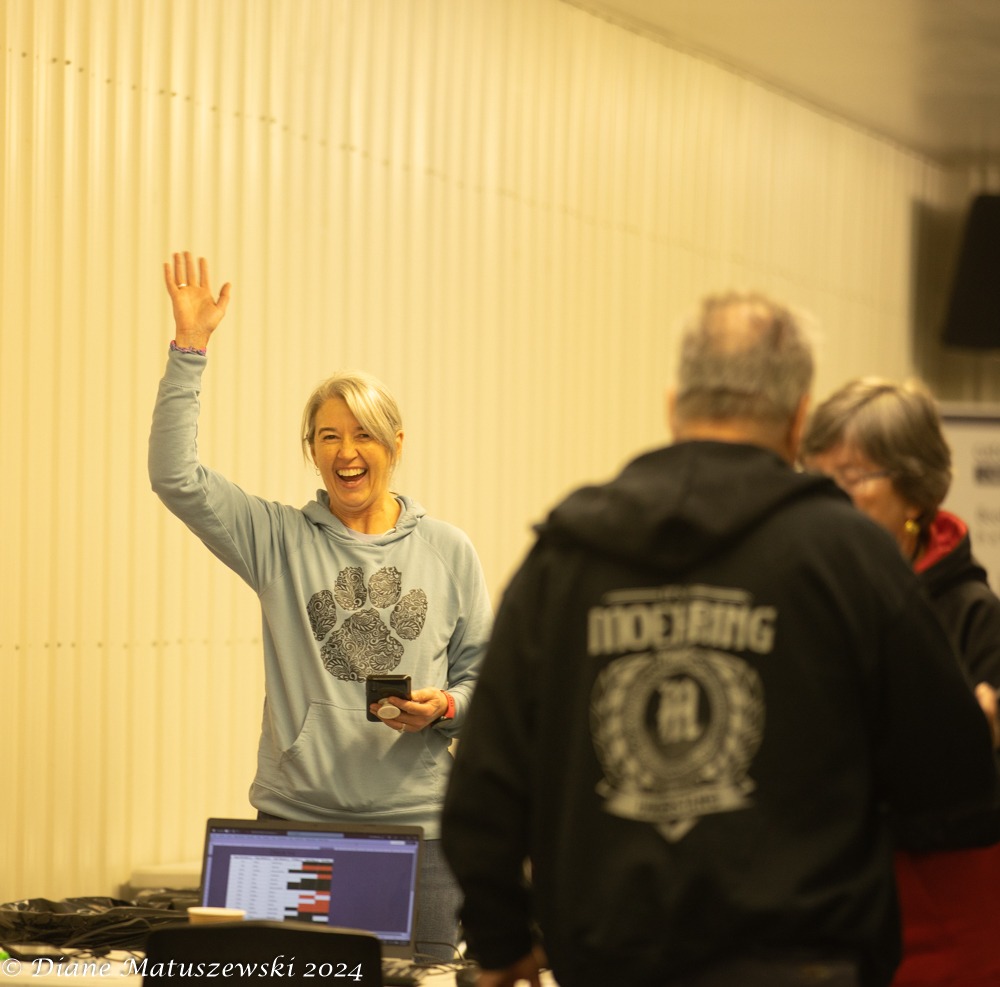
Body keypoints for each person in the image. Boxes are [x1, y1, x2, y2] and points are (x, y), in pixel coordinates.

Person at [440, 292, 1000, 987]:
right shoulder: (852, 555)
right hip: (802, 966)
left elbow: (481, 787)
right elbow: (954, 794)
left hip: (611, 966)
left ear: (674, 405)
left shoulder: (565, 558)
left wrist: (500, 938)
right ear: (798, 418)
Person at [149, 252, 492, 960]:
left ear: (396, 443)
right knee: (278, 978)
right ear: (311, 449)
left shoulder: (449, 551)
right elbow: (175, 477)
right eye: (329, 435)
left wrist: (443, 707)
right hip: (293, 825)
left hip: (422, 831)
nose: (346, 451)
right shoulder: (277, 540)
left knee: (425, 978)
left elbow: (485, 681)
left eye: (363, 433)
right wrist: (190, 350)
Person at [802, 377, 1000, 987]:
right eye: (814, 476)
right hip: (830, 907)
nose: (826, 497)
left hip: (940, 916)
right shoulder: (806, 596)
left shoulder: (972, 613)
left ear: (914, 492)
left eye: (852, 476)